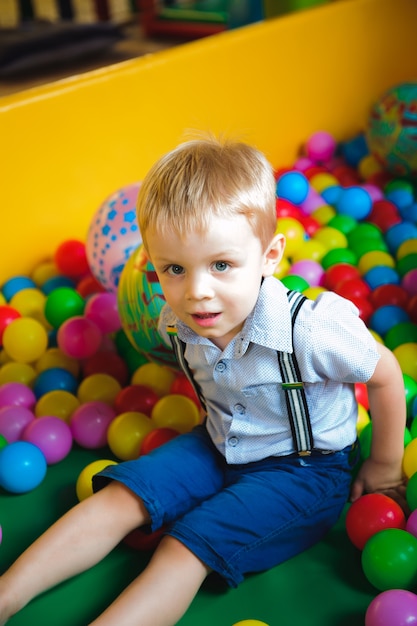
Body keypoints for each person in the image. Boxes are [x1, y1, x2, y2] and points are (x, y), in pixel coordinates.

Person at [0, 136, 407, 626]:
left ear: (270, 254)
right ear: (153, 267)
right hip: (219, 443)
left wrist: (385, 464)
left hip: (305, 471)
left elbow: (385, 373)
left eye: (221, 265)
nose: (197, 292)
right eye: (175, 268)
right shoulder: (174, 322)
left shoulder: (311, 330)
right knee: (119, 498)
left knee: (182, 546)